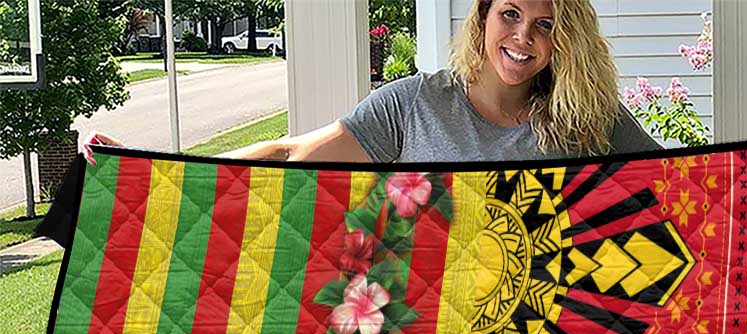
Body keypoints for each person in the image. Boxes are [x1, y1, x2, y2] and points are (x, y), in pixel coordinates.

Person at [84, 0, 659, 164]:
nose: (523, 36)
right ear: (483, 16)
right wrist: (152, 167)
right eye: (510, 13)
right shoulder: (414, 105)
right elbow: (291, 153)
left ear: (564, 39)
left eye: (545, 25)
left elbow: (680, 187)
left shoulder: (588, 116)